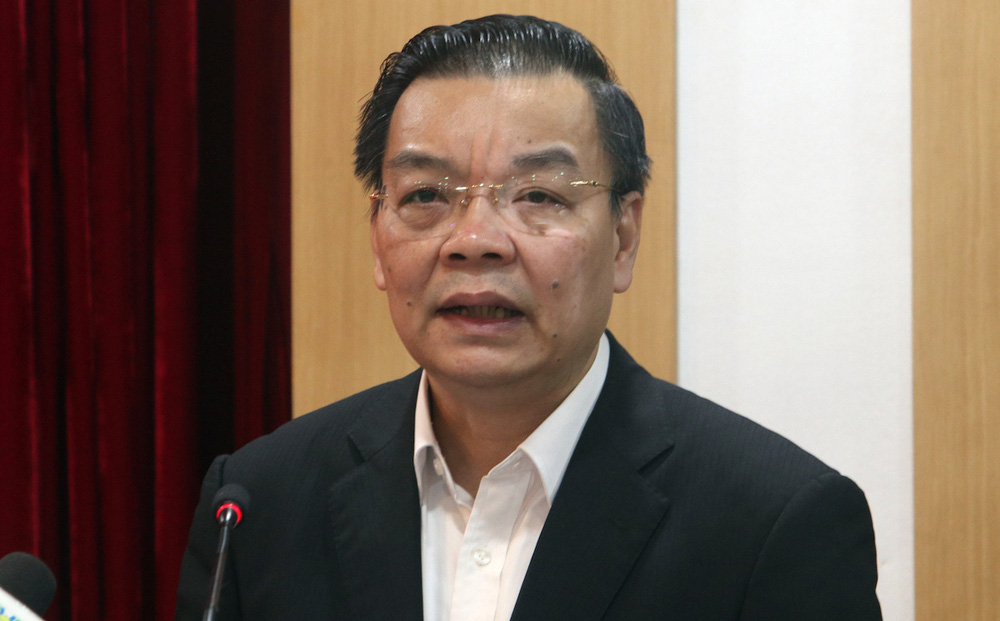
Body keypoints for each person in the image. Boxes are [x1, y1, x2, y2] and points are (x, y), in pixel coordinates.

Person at [175, 14, 881, 620]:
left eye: (539, 195)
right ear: (377, 239)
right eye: (425, 195)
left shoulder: (774, 523)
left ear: (624, 236)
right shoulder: (257, 505)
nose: (474, 239)